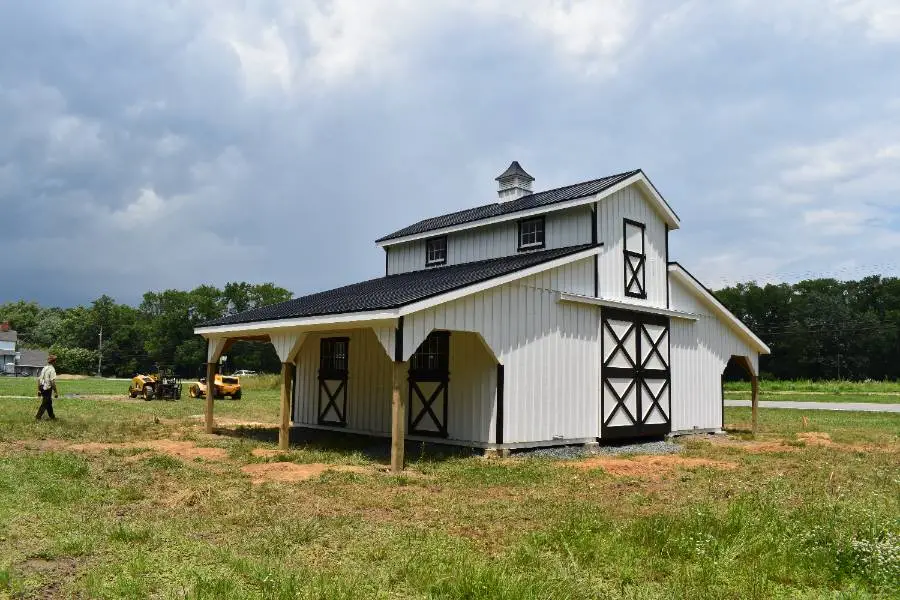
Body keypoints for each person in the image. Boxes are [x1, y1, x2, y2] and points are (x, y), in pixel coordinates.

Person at [36, 354, 59, 420]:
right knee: (45, 403)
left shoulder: (44, 368)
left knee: (49, 403)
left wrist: (39, 390)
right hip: (47, 389)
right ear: (54, 361)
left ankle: (52, 417)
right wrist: (55, 392)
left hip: (41, 387)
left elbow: (39, 379)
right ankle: (38, 417)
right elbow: (52, 382)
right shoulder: (52, 369)